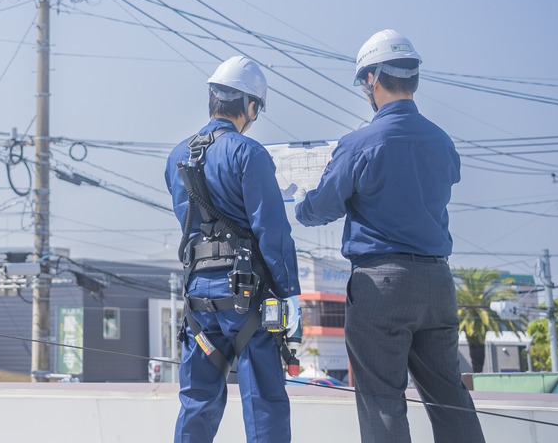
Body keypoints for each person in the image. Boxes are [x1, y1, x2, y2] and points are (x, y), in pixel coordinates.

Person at [294, 30, 485, 443]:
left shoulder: (359, 143)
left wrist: (300, 203)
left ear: (372, 80)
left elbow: (322, 207)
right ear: (412, 77)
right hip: (437, 282)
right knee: (449, 396)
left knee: (383, 401)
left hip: (381, 286)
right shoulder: (441, 140)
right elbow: (448, 176)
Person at [167, 55, 301, 443]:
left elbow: (189, 226)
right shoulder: (248, 153)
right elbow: (272, 231)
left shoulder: (177, 157)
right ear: (250, 106)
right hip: (245, 298)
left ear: (212, 100)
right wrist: (290, 292)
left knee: (196, 400)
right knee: (264, 401)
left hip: (198, 302)